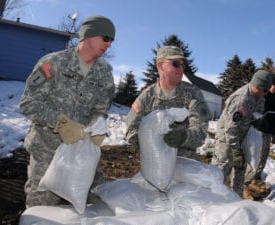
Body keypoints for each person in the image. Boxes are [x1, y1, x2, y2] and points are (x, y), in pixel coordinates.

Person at [19, 15, 116, 207]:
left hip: (82, 151)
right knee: (42, 206)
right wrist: (61, 123)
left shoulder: (104, 76)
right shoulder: (53, 64)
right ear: (88, 35)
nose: (109, 45)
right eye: (106, 38)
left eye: (112, 40)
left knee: (98, 200)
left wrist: (97, 126)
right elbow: (28, 103)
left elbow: (101, 109)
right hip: (47, 150)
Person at [125, 45, 212, 160]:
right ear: (161, 66)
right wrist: (150, 146)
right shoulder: (147, 97)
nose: (181, 69)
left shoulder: (193, 93)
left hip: (186, 161)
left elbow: (200, 132)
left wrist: (183, 137)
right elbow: (131, 129)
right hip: (155, 163)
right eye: (176, 64)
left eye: (182, 65)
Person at [211, 70, 273, 197]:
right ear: (256, 85)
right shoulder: (241, 99)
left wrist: (259, 123)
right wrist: (236, 150)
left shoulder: (260, 96)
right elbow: (230, 127)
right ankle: (214, 200)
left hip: (243, 138)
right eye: (263, 91)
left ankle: (236, 201)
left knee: (240, 172)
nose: (264, 94)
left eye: (266, 91)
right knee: (220, 171)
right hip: (227, 140)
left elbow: (257, 115)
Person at [251, 73, 275, 183]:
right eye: (273, 85)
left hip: (268, 131)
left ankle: (256, 176)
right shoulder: (262, 95)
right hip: (257, 129)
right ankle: (249, 176)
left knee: (263, 155)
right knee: (253, 154)